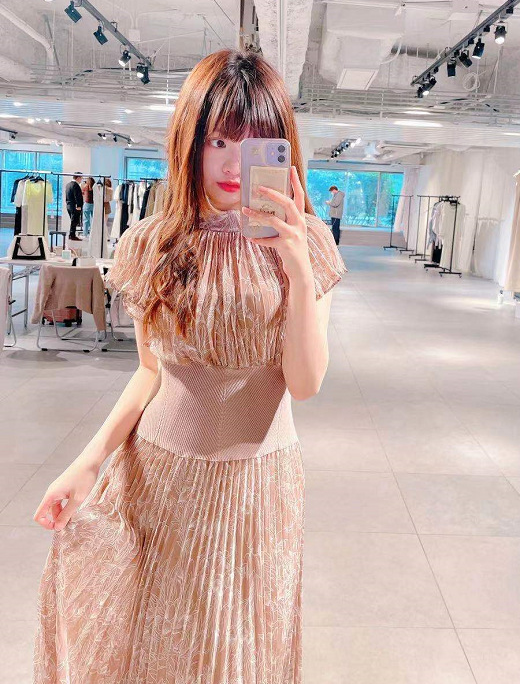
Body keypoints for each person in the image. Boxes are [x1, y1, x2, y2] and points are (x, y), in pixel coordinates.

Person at [32, 49, 347, 683]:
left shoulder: (309, 242)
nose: (232, 164)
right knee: (152, 646)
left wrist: (295, 264)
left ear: (282, 151)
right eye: (218, 141)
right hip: (158, 478)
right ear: (189, 142)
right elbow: (151, 372)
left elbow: (306, 382)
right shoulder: (151, 243)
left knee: (241, 649)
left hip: (258, 485)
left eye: (254, 144)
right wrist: (87, 463)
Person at [65, 172, 84, 241]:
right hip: (75, 206)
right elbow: (77, 196)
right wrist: (79, 205)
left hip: (69, 205)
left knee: (73, 221)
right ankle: (72, 235)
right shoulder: (75, 185)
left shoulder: (68, 184)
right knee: (74, 221)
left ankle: (72, 235)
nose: (81, 180)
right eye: (81, 178)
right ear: (78, 178)